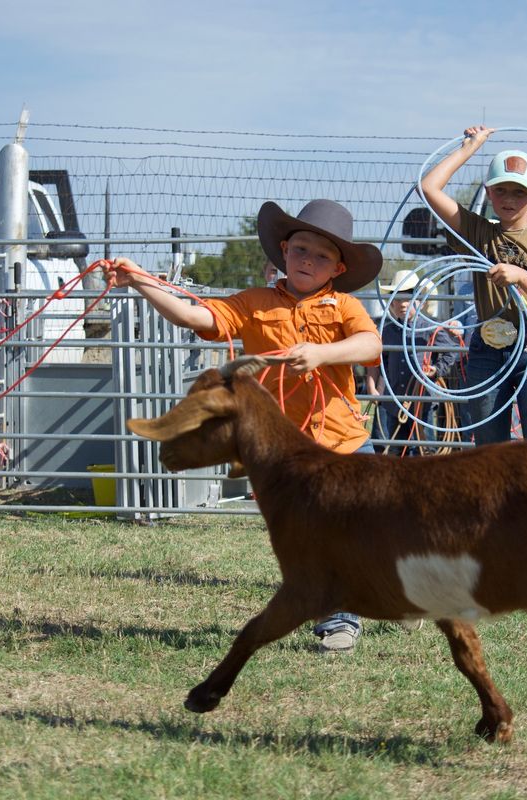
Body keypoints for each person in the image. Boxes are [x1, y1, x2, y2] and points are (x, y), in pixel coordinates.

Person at [104, 199, 383, 653]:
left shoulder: (345, 306)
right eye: (301, 249)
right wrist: (141, 281)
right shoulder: (253, 303)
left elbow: (370, 342)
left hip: (343, 440)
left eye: (321, 255)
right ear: (284, 251)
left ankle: (384, 601)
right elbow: (196, 316)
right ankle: (340, 616)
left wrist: (320, 353)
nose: (308, 260)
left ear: (338, 268)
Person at [419, 126, 527, 444]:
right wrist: (471, 147)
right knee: (490, 452)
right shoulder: (480, 232)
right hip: (488, 348)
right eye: (500, 190)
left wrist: (523, 277)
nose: (508, 199)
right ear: (488, 192)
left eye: (518, 192)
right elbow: (429, 187)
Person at [365, 269, 461, 455]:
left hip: (421, 400)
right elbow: (376, 360)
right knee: (395, 447)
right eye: (398, 299)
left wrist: (436, 369)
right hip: (394, 400)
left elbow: (451, 352)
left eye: (408, 298)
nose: (402, 304)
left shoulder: (430, 328)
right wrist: (372, 385)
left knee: (423, 447)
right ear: (391, 302)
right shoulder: (387, 331)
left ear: (419, 300)